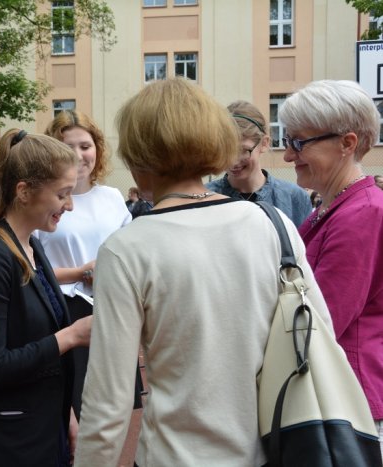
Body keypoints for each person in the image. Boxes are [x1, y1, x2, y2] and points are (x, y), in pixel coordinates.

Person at [73, 78, 332, 466]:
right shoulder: (272, 224)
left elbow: (108, 402)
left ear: (139, 155)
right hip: (266, 450)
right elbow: (318, 331)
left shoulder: (126, 249)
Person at [0, 129, 92, 466]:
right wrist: (71, 336)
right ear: (23, 191)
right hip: (6, 444)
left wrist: (66, 415)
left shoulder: (30, 245)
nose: (69, 205)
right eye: (62, 194)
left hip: (39, 428)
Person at [279, 79, 383, 457]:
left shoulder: (361, 213)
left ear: (347, 143)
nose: (288, 155)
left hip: (350, 403)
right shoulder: (334, 207)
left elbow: (321, 322)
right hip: (342, 395)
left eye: (299, 142)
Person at [41, 110, 140, 419]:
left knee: (114, 410)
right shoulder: (43, 200)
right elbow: (29, 269)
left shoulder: (112, 197)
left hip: (111, 309)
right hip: (65, 313)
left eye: (85, 146)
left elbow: (131, 253)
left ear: (97, 148)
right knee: (74, 412)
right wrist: (82, 273)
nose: (78, 155)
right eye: (68, 147)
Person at [205, 100, 311, 226]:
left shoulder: (294, 198)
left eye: (243, 150)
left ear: (264, 144)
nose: (233, 161)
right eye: (226, 150)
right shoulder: (204, 198)